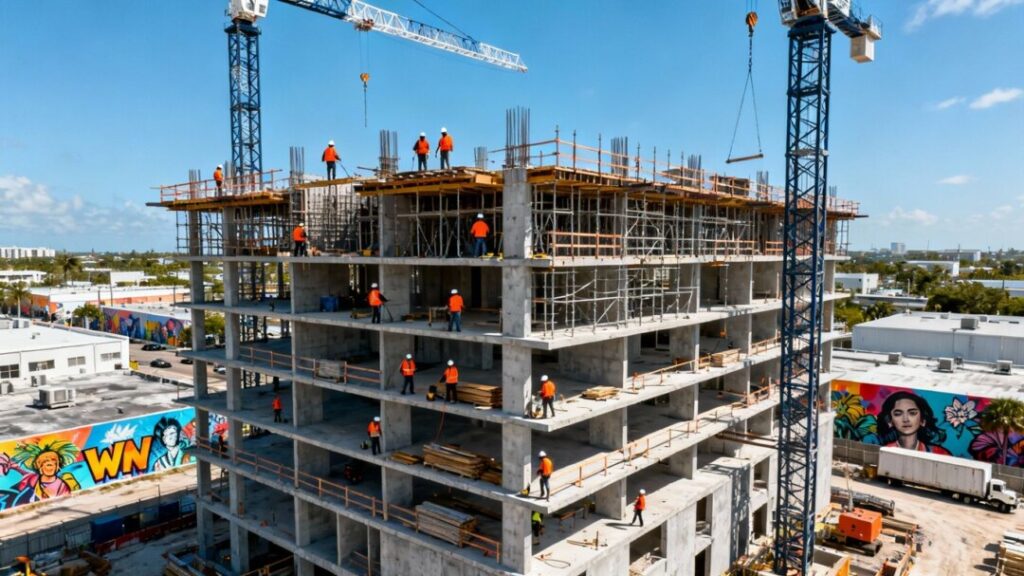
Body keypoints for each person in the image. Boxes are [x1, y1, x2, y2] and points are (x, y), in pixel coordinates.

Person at [877, 390, 950, 454]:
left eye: (912, 413)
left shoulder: (940, 453)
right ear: (889, 421)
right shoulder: (883, 451)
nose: (906, 419)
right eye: (898, 414)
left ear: (922, 420)